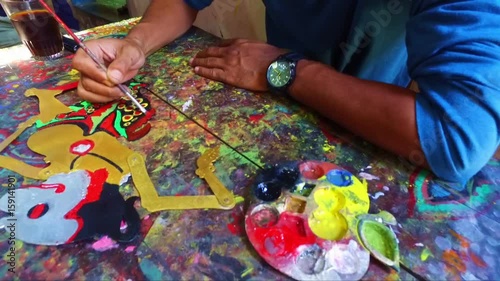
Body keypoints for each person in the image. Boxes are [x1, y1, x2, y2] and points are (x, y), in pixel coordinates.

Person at [71, 0, 500, 185]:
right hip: (273, 111)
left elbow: (458, 139)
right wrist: (137, 44)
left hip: (378, 136)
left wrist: (283, 69)